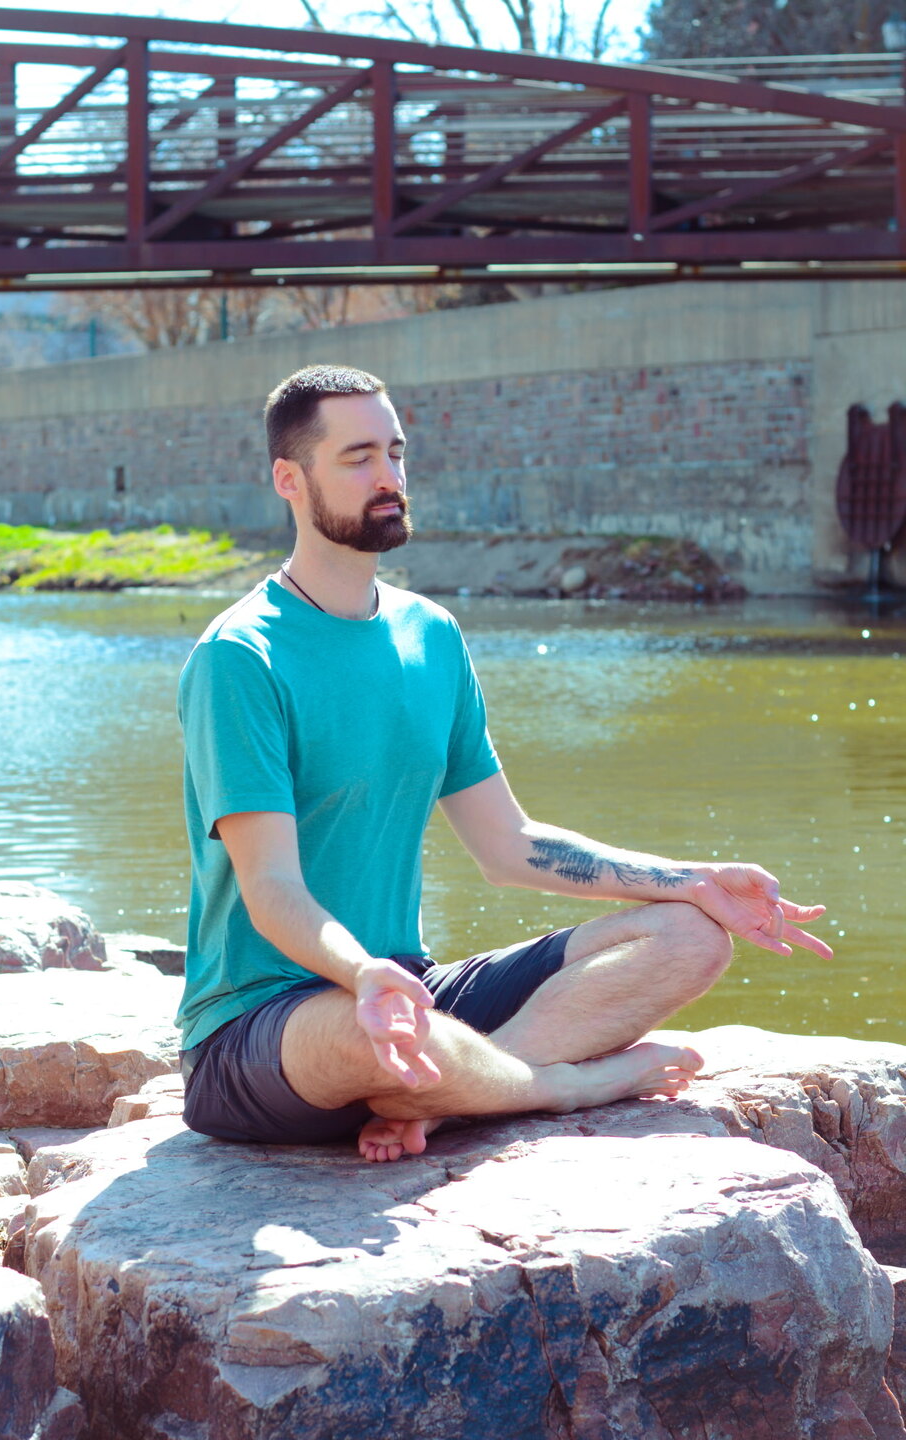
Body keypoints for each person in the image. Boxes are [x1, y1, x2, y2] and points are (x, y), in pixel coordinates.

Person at [176, 363, 832, 1164]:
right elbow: (272, 888)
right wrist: (365, 976)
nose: (388, 476)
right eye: (357, 458)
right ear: (290, 478)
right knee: (364, 1032)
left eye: (396, 451)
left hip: (411, 993)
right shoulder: (241, 657)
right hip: (266, 1027)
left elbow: (509, 844)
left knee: (692, 939)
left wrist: (692, 880)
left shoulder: (432, 637)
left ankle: (449, 1097)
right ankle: (562, 1085)